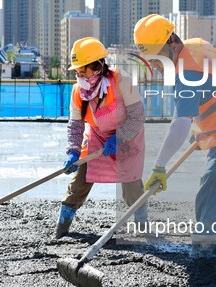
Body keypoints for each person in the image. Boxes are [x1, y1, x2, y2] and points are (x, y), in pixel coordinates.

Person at [133, 14, 216, 260]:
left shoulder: (186, 73)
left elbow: (180, 123)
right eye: (149, 58)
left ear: (172, 43)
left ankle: (204, 263)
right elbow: (213, 91)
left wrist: (159, 166)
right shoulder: (196, 45)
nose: (153, 63)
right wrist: (200, 132)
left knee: (210, 198)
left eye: (156, 56)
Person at [55, 37, 147, 239]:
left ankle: (143, 227)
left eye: (83, 71)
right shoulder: (78, 91)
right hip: (96, 137)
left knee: (132, 189)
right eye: (77, 72)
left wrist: (119, 139)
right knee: (79, 183)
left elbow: (138, 116)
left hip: (127, 137)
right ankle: (61, 230)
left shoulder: (121, 81)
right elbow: (76, 124)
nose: (79, 76)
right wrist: (73, 151)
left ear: (97, 67)